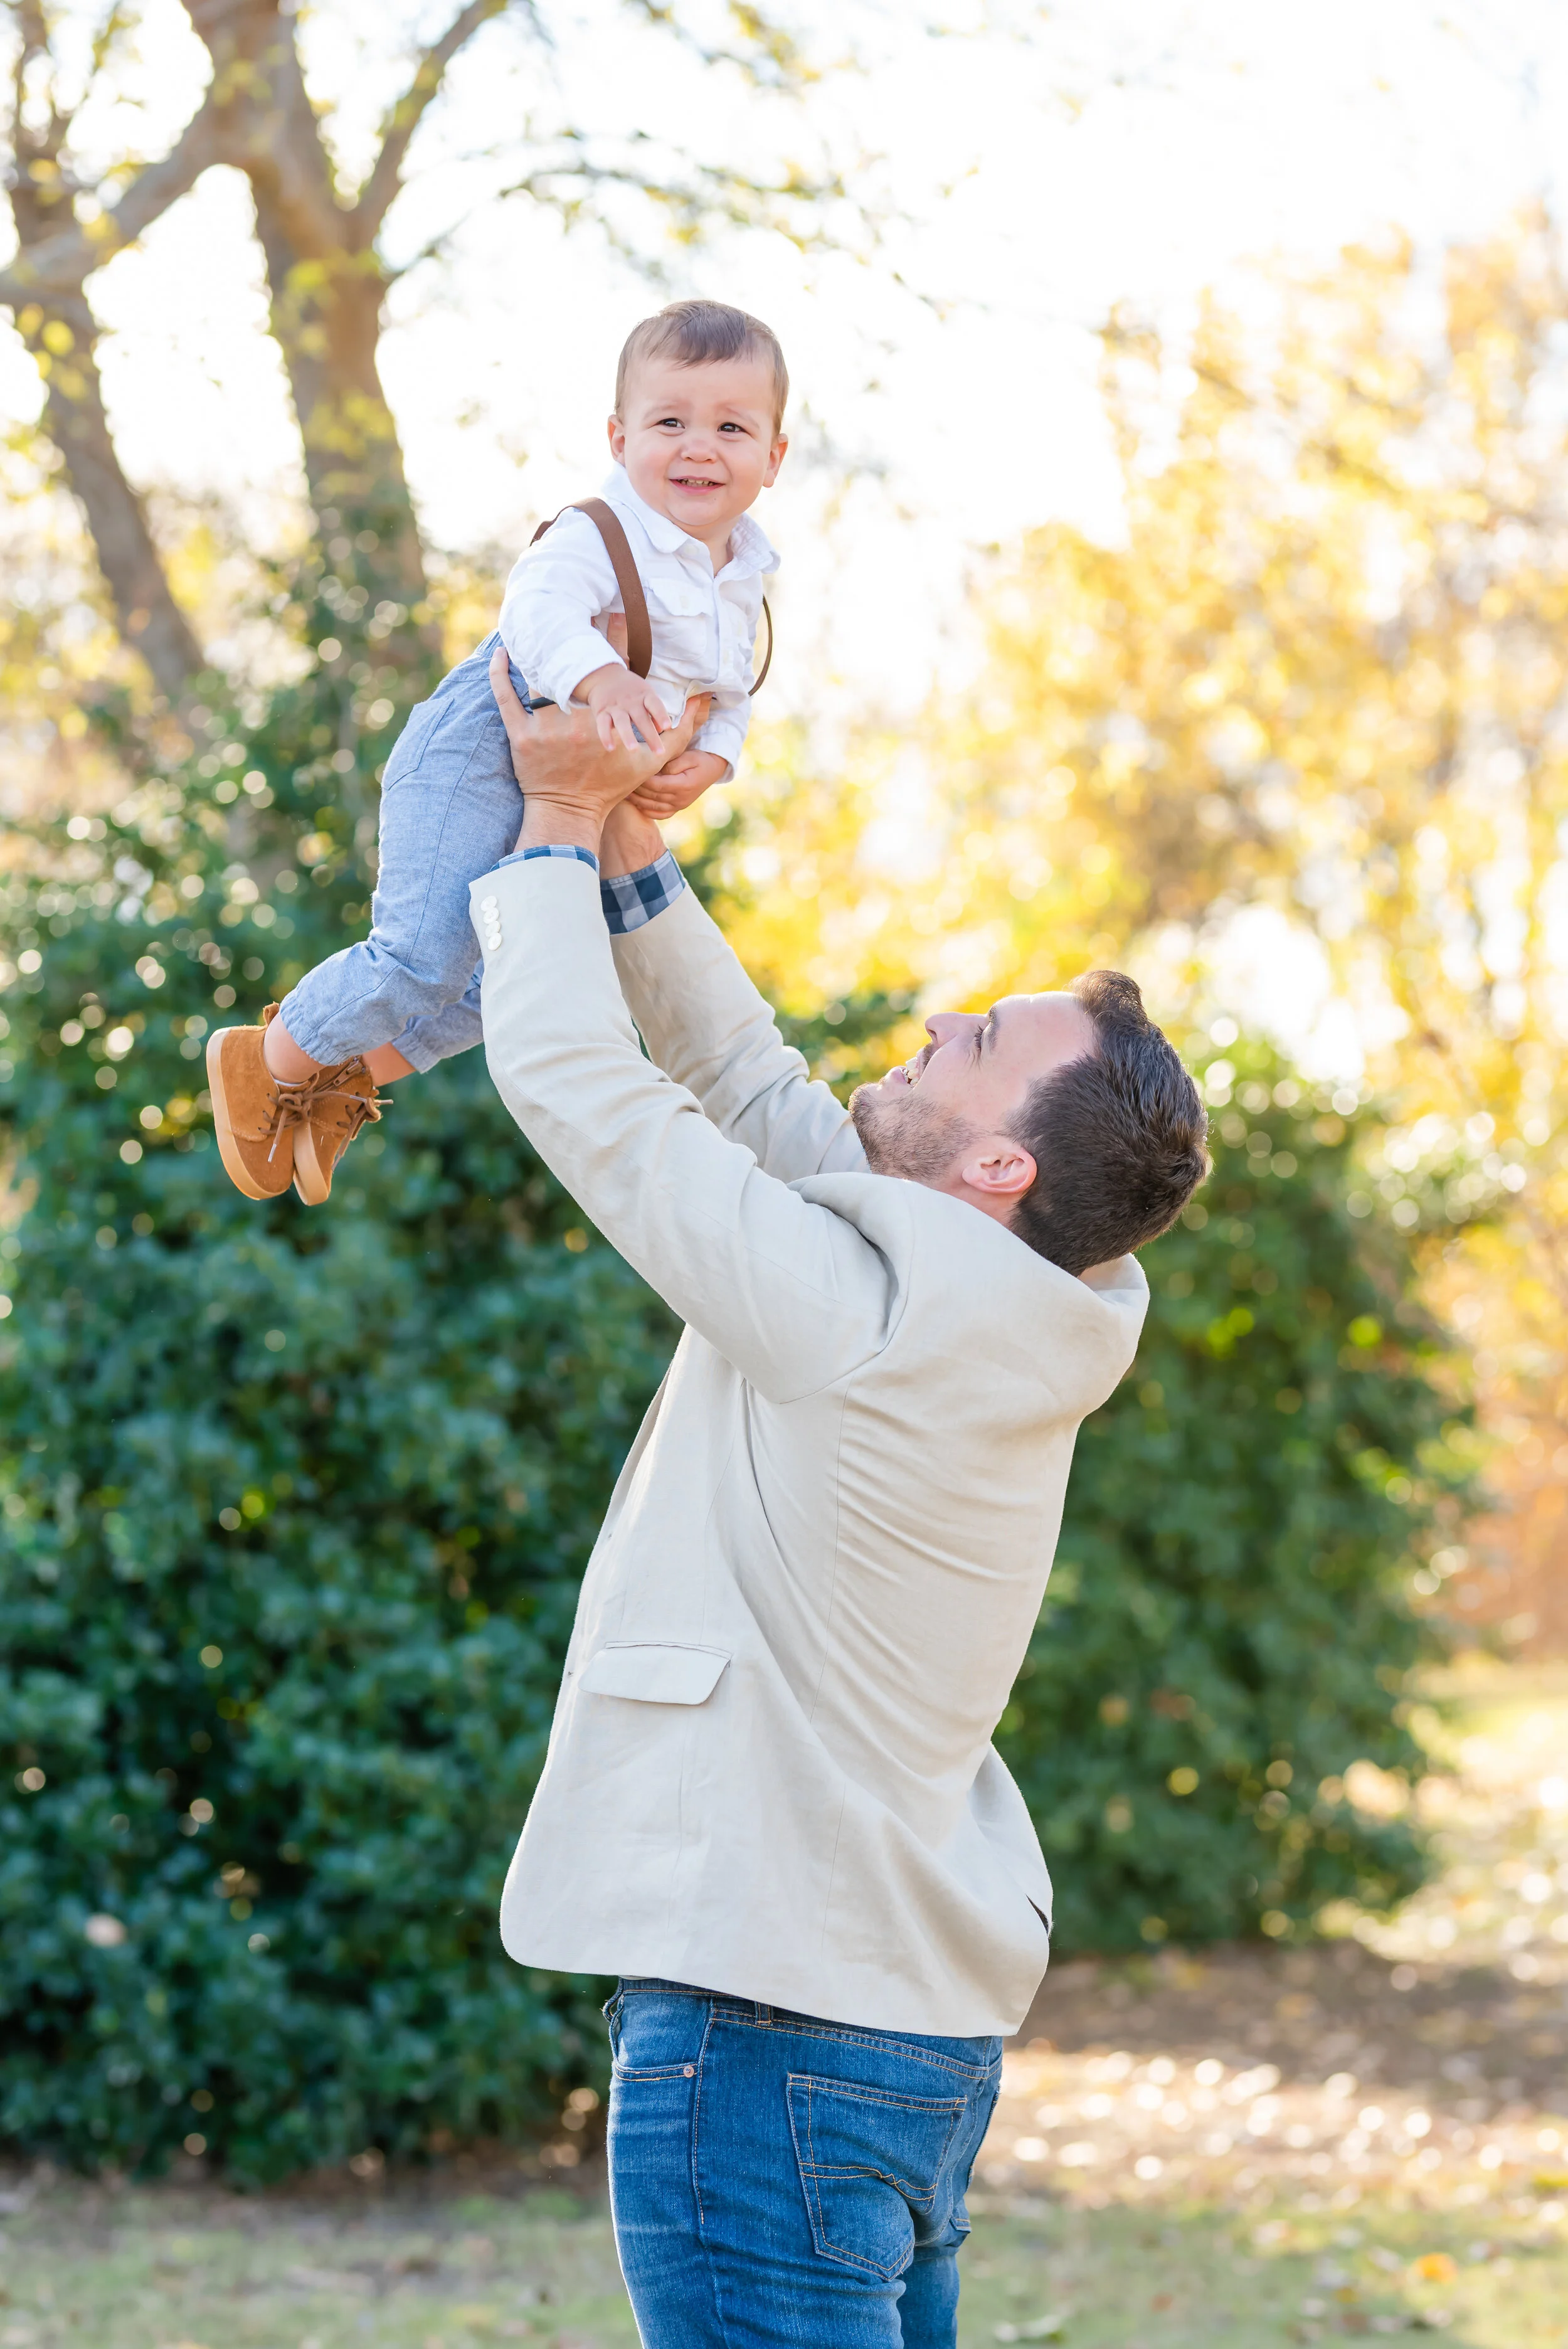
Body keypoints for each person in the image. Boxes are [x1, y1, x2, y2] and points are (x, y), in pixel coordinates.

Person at [472, 656, 1209, 2349]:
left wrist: (549, 827)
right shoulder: (994, 1304)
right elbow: (750, 1086)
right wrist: (635, 867)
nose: (937, 1021)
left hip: (769, 2047)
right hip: (895, 2043)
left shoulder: (860, 1322)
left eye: (974, 1044)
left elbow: (592, 1101)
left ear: (996, 1165)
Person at [203, 298, 786, 1206]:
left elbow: (735, 690)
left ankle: (343, 1077)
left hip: (571, 798)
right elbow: (538, 616)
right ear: (619, 436)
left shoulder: (745, 576)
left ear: (773, 458)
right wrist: (604, 681)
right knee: (422, 954)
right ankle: (263, 1060)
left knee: (511, 983)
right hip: (478, 752)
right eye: (670, 421)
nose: (699, 446)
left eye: (732, 427)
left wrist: (714, 754)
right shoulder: (602, 530)